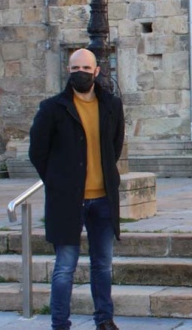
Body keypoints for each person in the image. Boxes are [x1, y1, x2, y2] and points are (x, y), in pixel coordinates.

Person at [28, 49, 125, 330]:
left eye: (86, 67)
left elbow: (115, 145)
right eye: (74, 67)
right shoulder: (52, 108)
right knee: (64, 267)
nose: (80, 72)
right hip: (68, 200)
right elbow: (38, 152)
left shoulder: (111, 105)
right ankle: (60, 323)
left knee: (103, 265)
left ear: (96, 71)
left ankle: (104, 319)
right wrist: (59, 182)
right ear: (68, 71)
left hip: (103, 199)